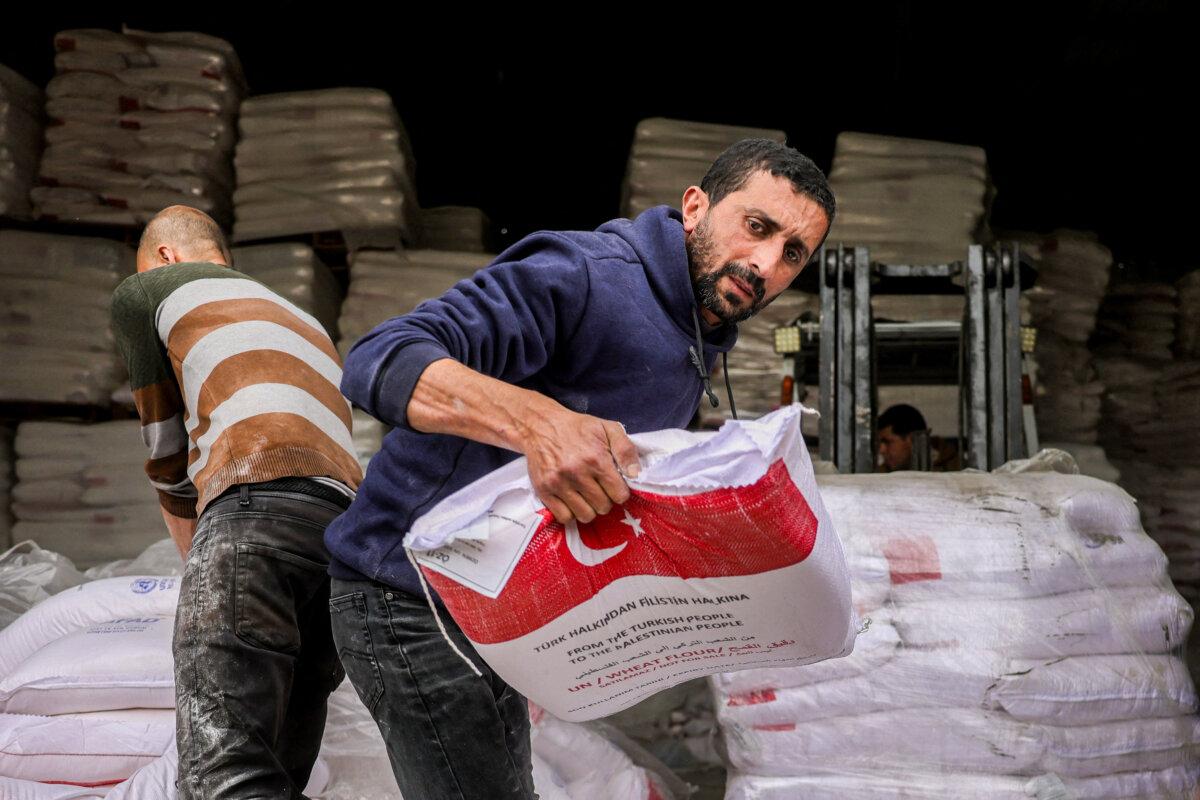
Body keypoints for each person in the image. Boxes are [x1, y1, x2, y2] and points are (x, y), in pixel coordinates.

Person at [325, 138, 835, 799]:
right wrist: (540, 424)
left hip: (495, 610)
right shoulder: (587, 274)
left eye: (793, 253)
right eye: (757, 226)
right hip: (408, 594)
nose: (766, 263)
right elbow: (380, 357)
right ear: (695, 207)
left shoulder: (693, 333)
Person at [110, 205, 362, 799]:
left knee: (225, 772)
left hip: (253, 507)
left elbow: (166, 453)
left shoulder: (149, 291)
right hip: (342, 539)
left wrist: (199, 570)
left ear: (165, 256)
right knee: (281, 771)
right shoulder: (306, 321)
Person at [877, 403, 929, 471]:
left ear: (912, 441)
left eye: (888, 442)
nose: (881, 450)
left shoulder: (940, 472)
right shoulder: (880, 473)